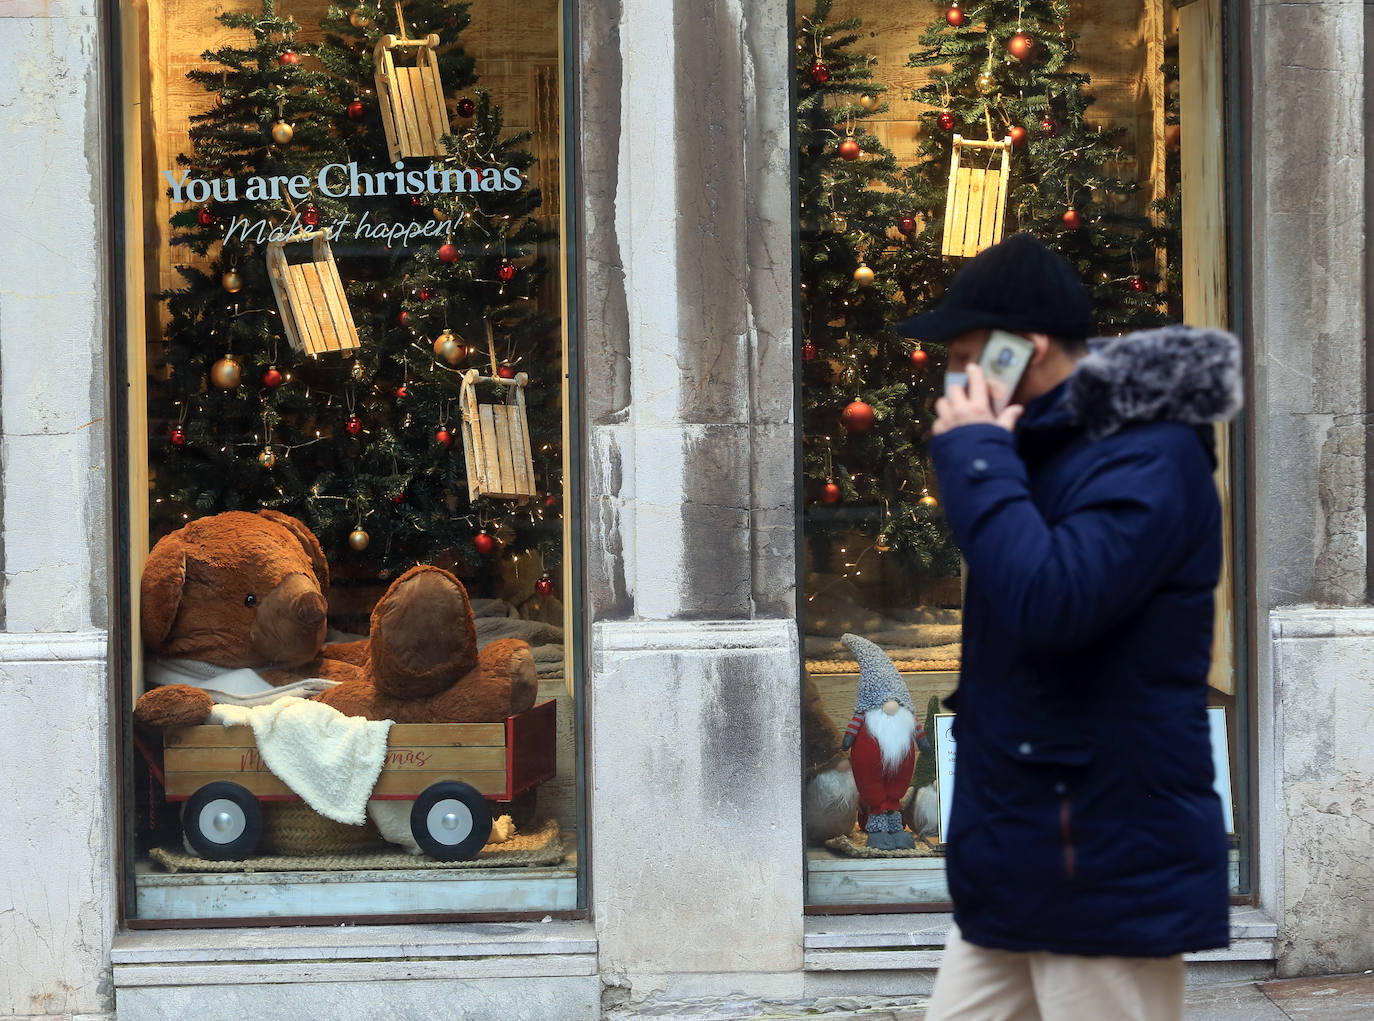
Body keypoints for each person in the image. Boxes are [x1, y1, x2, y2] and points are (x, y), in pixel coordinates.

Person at [896, 233, 1242, 1021]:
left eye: (966, 353)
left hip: (1106, 850)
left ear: (1027, 349)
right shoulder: (1041, 448)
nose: (950, 374)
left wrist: (979, 456)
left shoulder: (1147, 451)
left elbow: (1056, 602)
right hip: (1026, 846)